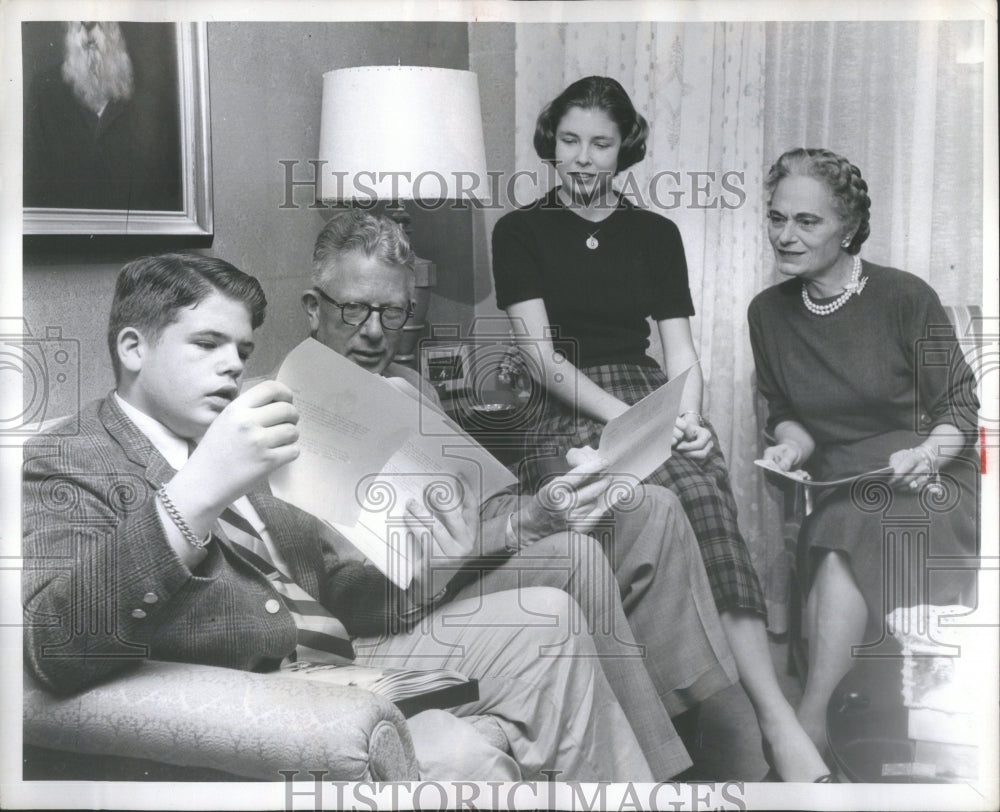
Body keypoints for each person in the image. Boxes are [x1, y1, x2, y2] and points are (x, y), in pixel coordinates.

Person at [21, 252, 658, 782]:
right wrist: (195, 492)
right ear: (133, 347)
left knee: (548, 617)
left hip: (346, 649)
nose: (232, 367)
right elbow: (55, 644)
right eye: (207, 343)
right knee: (460, 751)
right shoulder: (73, 455)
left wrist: (449, 561)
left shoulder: (247, 435)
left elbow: (338, 596)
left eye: (241, 349)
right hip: (265, 690)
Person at [298, 208, 738, 779]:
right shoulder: (302, 410)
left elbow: (481, 501)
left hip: (466, 561)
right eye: (354, 308)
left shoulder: (409, 384)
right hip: (406, 602)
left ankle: (701, 712)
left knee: (649, 506)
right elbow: (383, 574)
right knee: (574, 556)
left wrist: (565, 491)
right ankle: (666, 775)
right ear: (314, 308)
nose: (376, 330)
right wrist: (523, 525)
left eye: (393, 311)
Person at [490, 75, 830, 781]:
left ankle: (770, 717)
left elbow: (680, 352)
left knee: (703, 496)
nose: (583, 158)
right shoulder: (519, 230)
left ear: (625, 150)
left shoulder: (655, 232)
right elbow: (541, 361)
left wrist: (690, 420)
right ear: (551, 143)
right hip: (563, 400)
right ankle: (656, 726)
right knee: (632, 507)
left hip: (647, 388)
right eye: (571, 140)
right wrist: (639, 422)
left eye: (601, 143)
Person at [748, 147, 980, 760]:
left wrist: (928, 455)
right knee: (838, 529)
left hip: (927, 477)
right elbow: (784, 411)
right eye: (777, 218)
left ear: (847, 227)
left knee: (847, 532)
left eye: (807, 221)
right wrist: (789, 449)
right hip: (839, 481)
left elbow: (960, 407)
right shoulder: (767, 313)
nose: (785, 236)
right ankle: (821, 725)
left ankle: (808, 721)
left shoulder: (905, 297)